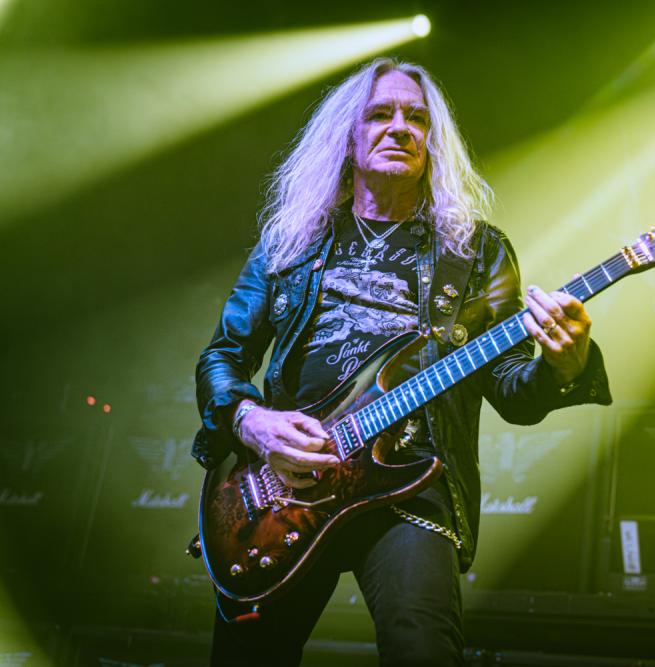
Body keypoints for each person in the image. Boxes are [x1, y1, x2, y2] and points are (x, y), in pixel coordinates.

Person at [193, 57, 612, 666]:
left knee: (422, 644)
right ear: (348, 137)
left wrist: (563, 365)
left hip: (411, 483)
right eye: (380, 114)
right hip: (284, 487)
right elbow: (222, 356)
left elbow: (512, 390)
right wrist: (253, 423)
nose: (400, 127)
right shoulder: (291, 243)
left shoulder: (475, 251)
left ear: (432, 141)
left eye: (416, 117)